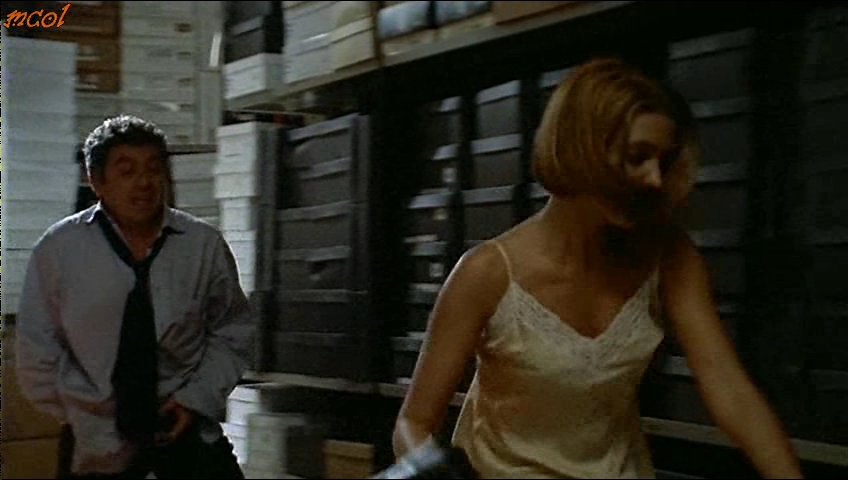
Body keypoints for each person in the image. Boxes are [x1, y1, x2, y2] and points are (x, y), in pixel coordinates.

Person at [391, 58, 804, 479]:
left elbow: (730, 390)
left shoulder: (668, 256)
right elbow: (413, 422)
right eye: (637, 157)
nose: (654, 180)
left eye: (663, 162)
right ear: (582, 148)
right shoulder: (487, 272)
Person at [15, 114, 255, 479]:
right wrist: (83, 413)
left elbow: (233, 333)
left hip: (187, 429)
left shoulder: (202, 245)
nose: (144, 182)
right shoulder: (59, 250)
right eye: (127, 171)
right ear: (96, 180)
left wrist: (195, 399)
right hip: (94, 443)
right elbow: (36, 348)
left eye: (153, 169)